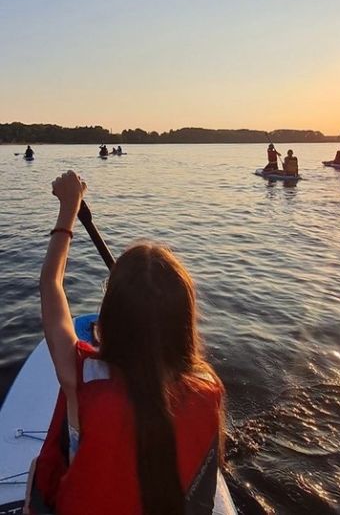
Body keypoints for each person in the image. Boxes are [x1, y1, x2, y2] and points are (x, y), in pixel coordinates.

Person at [29, 171, 224, 515]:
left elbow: (50, 283)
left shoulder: (80, 376)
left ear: (111, 317)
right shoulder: (208, 388)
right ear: (183, 322)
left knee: (36, 472)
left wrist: (69, 209)